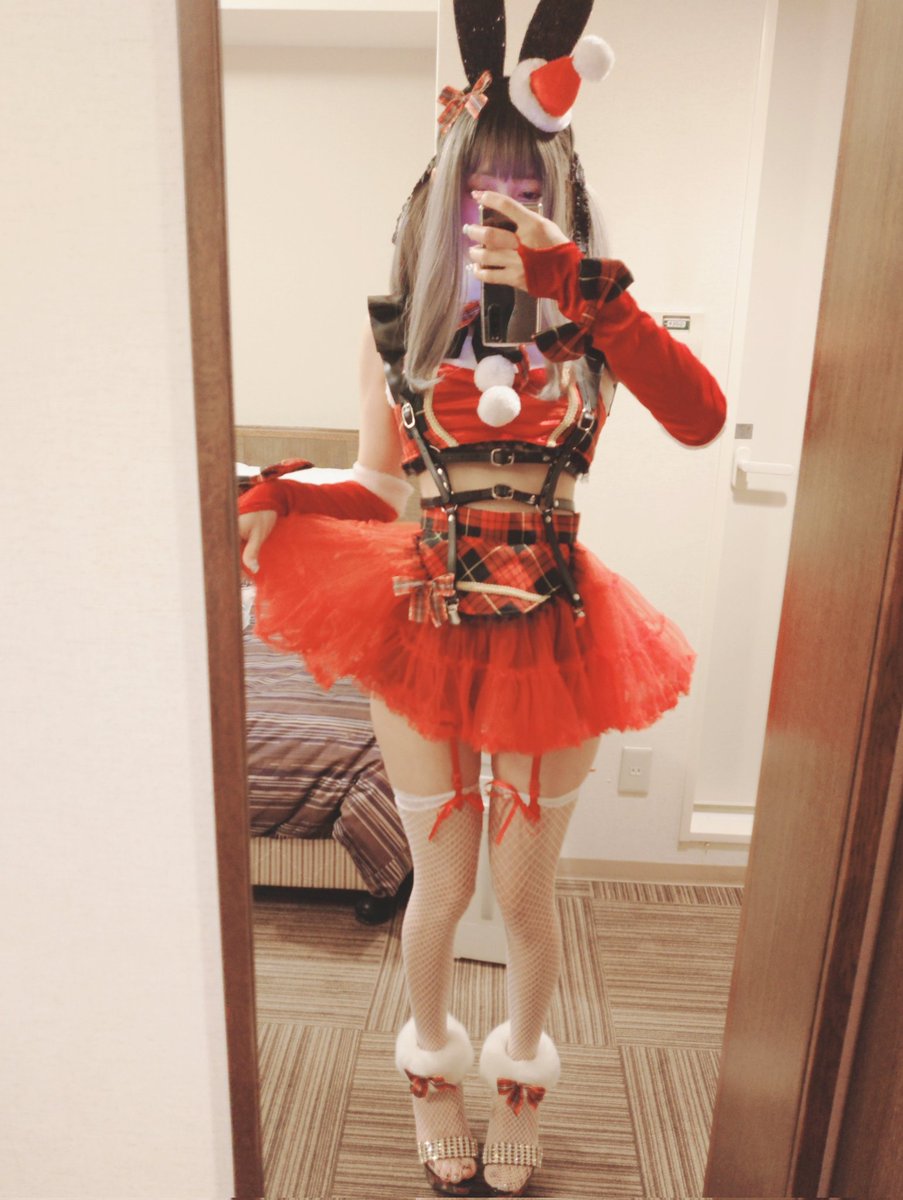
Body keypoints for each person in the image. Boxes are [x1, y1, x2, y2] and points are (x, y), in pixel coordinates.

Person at [238, 2, 726, 1194]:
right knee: (443, 881)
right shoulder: (400, 338)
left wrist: (578, 284)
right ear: (444, 196)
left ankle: (521, 1085)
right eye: (478, 185)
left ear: (558, 196)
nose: (496, 207)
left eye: (523, 186)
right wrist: (282, 494)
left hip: (557, 626)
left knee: (524, 892)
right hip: (425, 618)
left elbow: (703, 416)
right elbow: (376, 488)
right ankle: (430, 1076)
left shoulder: (596, 325)